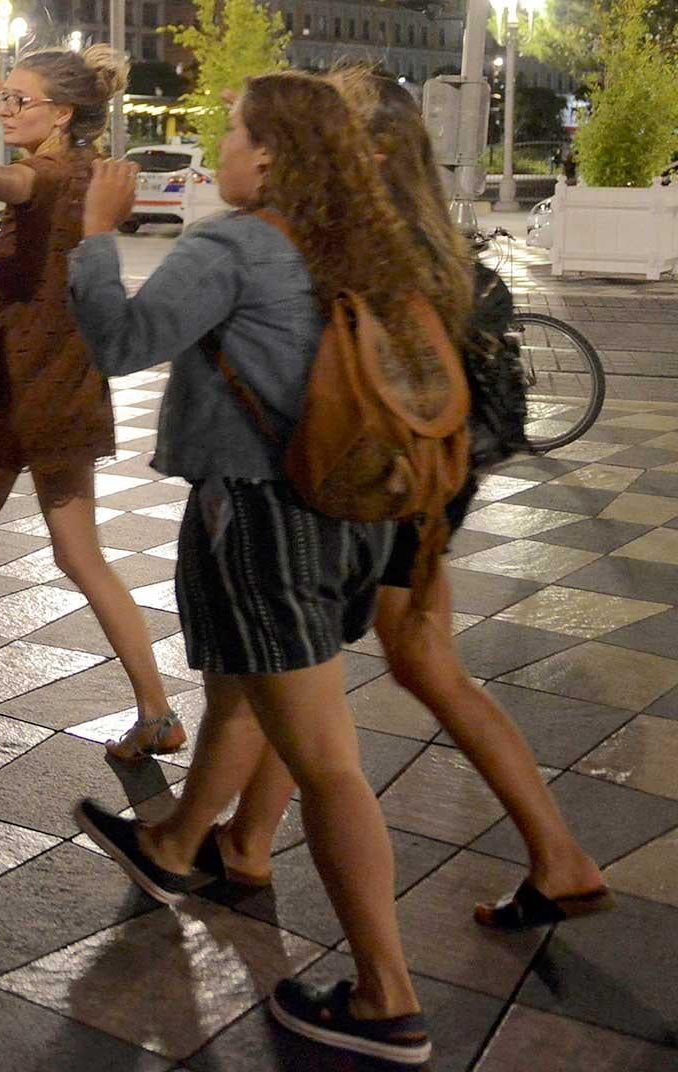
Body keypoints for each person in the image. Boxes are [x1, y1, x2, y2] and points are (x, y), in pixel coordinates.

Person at [66, 73, 435, 1066]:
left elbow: (118, 340)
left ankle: (385, 997)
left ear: (266, 155)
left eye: (228, 133)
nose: (217, 149)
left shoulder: (232, 243)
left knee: (324, 760)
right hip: (347, 509)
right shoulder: (352, 241)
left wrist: (96, 234)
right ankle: (183, 846)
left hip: (263, 516)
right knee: (240, 689)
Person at [206, 69, 610, 931]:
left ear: (376, 147)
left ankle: (558, 856)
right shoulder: (432, 235)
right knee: (390, 661)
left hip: (393, 476)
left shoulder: (372, 240)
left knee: (378, 661)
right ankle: (246, 838)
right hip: (436, 474)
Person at [0, 13, 182, 761]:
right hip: (69, 387)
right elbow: (17, 131)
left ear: (61, 113)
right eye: (4, 100)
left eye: (19, 101)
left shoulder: (47, 174)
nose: (6, 110)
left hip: (18, 391)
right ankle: (156, 708)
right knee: (81, 554)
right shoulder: (79, 163)